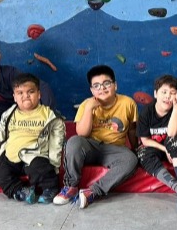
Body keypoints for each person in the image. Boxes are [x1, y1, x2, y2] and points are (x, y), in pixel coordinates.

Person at [54, 65, 138, 209]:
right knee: (73, 142)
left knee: (131, 159)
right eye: (96, 86)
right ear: (92, 90)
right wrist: (89, 109)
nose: (102, 88)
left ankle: (93, 192)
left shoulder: (128, 103)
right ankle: (71, 186)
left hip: (114, 149)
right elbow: (82, 134)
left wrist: (136, 149)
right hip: (90, 146)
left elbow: (132, 129)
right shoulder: (86, 104)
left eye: (107, 83)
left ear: (115, 85)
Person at [0, 73, 65, 204]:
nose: (26, 96)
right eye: (20, 93)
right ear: (14, 97)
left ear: (39, 94)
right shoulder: (10, 113)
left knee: (40, 168)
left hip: (35, 154)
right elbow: (0, 130)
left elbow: (57, 139)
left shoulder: (49, 115)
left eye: (30, 92)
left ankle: (50, 188)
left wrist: (55, 161)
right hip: (11, 154)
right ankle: (19, 191)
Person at [136, 75, 177, 212]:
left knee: (176, 140)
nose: (168, 96)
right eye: (164, 92)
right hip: (155, 146)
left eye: (172, 93)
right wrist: (165, 149)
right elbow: (145, 140)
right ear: (156, 94)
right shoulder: (146, 112)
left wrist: (176, 108)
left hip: (172, 142)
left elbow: (172, 133)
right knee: (142, 153)